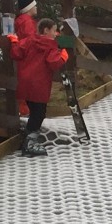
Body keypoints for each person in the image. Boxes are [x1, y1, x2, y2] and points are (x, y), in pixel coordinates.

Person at [8, 19, 68, 158]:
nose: (56, 34)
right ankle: (30, 143)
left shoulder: (29, 40)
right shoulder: (50, 45)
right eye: (54, 30)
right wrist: (63, 56)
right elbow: (53, 63)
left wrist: (14, 41)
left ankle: (27, 139)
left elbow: (16, 53)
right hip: (39, 84)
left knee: (33, 111)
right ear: (46, 30)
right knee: (39, 113)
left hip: (25, 81)